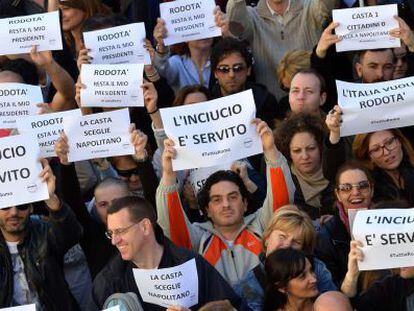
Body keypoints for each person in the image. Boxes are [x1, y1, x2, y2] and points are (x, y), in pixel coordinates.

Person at [156, 118, 295, 286]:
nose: (226, 204)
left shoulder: (263, 226)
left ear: (245, 204)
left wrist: (270, 150)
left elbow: (282, 201)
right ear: (206, 209)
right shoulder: (198, 239)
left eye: (233, 197)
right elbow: (172, 225)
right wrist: (169, 175)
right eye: (217, 200)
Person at [90, 196, 241, 310]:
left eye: (120, 231)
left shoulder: (189, 263)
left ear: (145, 227)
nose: (114, 241)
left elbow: (232, 306)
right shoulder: (110, 281)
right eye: (111, 233)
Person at [0, 159, 83, 310]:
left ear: (31, 207)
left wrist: (51, 199)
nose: (14, 212)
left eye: (21, 205)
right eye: (5, 206)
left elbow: (72, 234)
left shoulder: (43, 232)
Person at [220, 0, 336, 100]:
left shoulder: (310, 7)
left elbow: (327, 7)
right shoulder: (251, 15)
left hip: (312, 103)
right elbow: (237, 27)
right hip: (273, 106)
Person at [237, 206, 336, 311]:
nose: (287, 245)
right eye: (282, 237)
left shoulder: (316, 268)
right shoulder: (252, 282)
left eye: (297, 242)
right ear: (267, 238)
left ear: (304, 250)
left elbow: (333, 303)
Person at [325, 106, 414, 205]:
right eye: (376, 149)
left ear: (399, 141)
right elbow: (334, 172)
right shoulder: (365, 183)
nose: (387, 152)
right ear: (368, 157)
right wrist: (334, 133)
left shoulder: (410, 168)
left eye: (389, 142)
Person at [315, 161, 374, 285]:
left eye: (363, 186)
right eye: (346, 188)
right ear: (338, 194)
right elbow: (330, 287)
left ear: (372, 189)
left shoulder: (391, 222)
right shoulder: (326, 236)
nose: (355, 192)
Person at [209, 37, 281, 128]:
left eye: (238, 68)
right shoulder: (207, 103)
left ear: (248, 70)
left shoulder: (266, 100)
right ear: (215, 73)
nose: (231, 75)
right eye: (224, 69)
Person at [275, 113, 334, 219]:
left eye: (311, 148)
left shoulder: (337, 172)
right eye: (297, 151)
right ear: (288, 153)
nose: (305, 156)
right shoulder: (283, 180)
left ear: (320, 147)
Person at [342, 240, 414, 311]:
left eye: (409, 248)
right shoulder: (390, 288)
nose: (402, 256)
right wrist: (351, 276)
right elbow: (350, 305)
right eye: (400, 247)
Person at [153, 18, 213, 91]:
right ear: (185, 37)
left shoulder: (220, 59)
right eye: (196, 29)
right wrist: (162, 45)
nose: (203, 34)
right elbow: (162, 69)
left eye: (206, 28)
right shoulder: (177, 62)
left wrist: (226, 32)